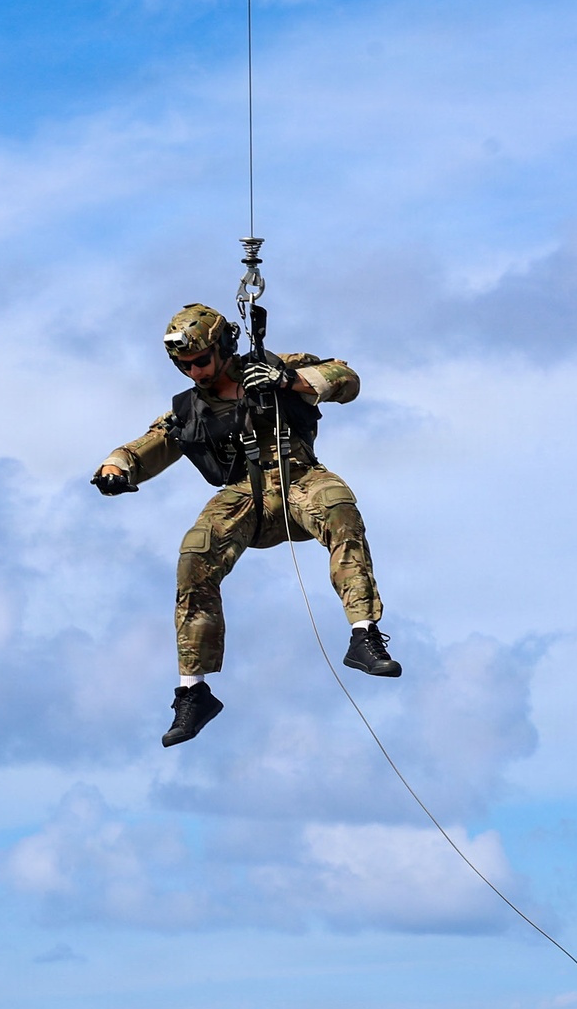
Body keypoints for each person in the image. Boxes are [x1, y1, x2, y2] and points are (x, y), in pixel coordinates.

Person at [92, 303, 401, 747]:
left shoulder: (273, 367)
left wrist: (289, 382)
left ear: (221, 348)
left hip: (298, 477)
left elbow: (346, 379)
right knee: (194, 554)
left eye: (200, 361)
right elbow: (147, 445)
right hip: (243, 495)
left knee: (340, 509)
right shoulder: (190, 410)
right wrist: (115, 468)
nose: (194, 371)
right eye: (185, 365)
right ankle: (193, 690)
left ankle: (364, 635)